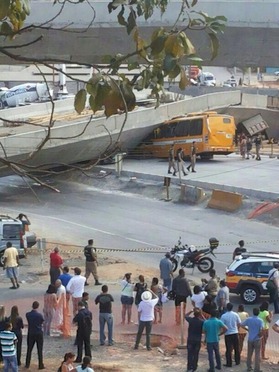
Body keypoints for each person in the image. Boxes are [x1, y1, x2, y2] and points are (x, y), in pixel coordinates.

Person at [240, 307, 264, 372]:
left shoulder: (249, 319)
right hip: (257, 339)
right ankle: (257, 369)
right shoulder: (260, 320)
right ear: (258, 313)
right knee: (257, 354)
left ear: (253, 312)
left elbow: (241, 325)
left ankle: (249, 367)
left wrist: (247, 329)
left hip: (250, 339)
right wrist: (260, 335)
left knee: (249, 354)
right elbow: (262, 330)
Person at [25, 301, 45, 370]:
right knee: (39, 349)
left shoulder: (28, 314)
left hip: (31, 333)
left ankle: (27, 364)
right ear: (38, 306)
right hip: (39, 333)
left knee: (29, 349)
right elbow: (42, 321)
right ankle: (40, 364)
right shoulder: (40, 315)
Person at [220, 303, 241, 367]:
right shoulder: (235, 314)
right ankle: (237, 361)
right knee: (236, 348)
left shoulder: (223, 316)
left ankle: (229, 363)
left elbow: (222, 325)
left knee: (228, 349)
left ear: (226, 307)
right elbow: (239, 323)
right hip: (235, 333)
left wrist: (222, 332)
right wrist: (237, 329)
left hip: (228, 334)